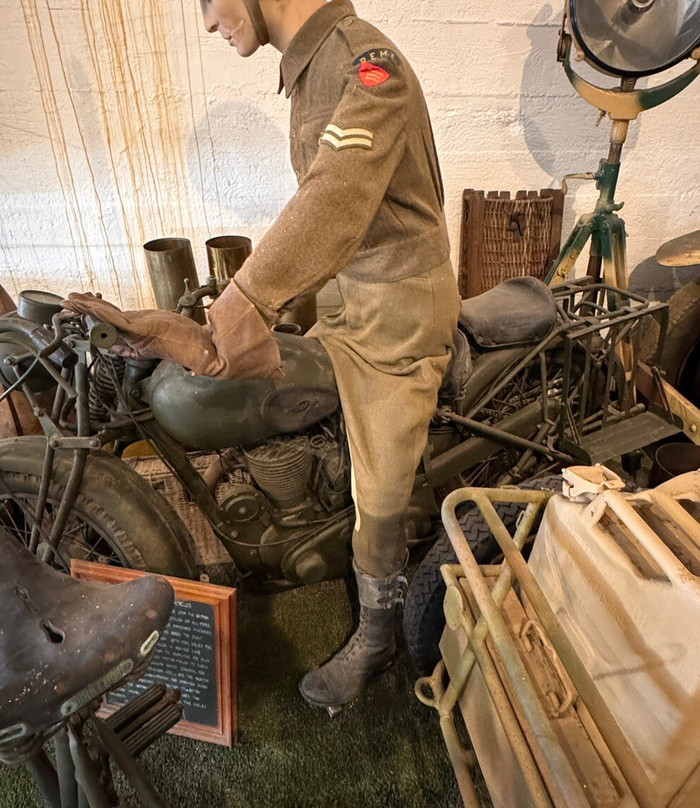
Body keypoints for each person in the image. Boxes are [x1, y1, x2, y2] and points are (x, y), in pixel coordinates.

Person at [204, 0, 461, 712]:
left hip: (398, 314)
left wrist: (249, 295)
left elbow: (339, 190)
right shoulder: (311, 68)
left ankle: (378, 640)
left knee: (378, 497)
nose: (207, 20)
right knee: (285, 412)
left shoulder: (366, 64)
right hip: (348, 298)